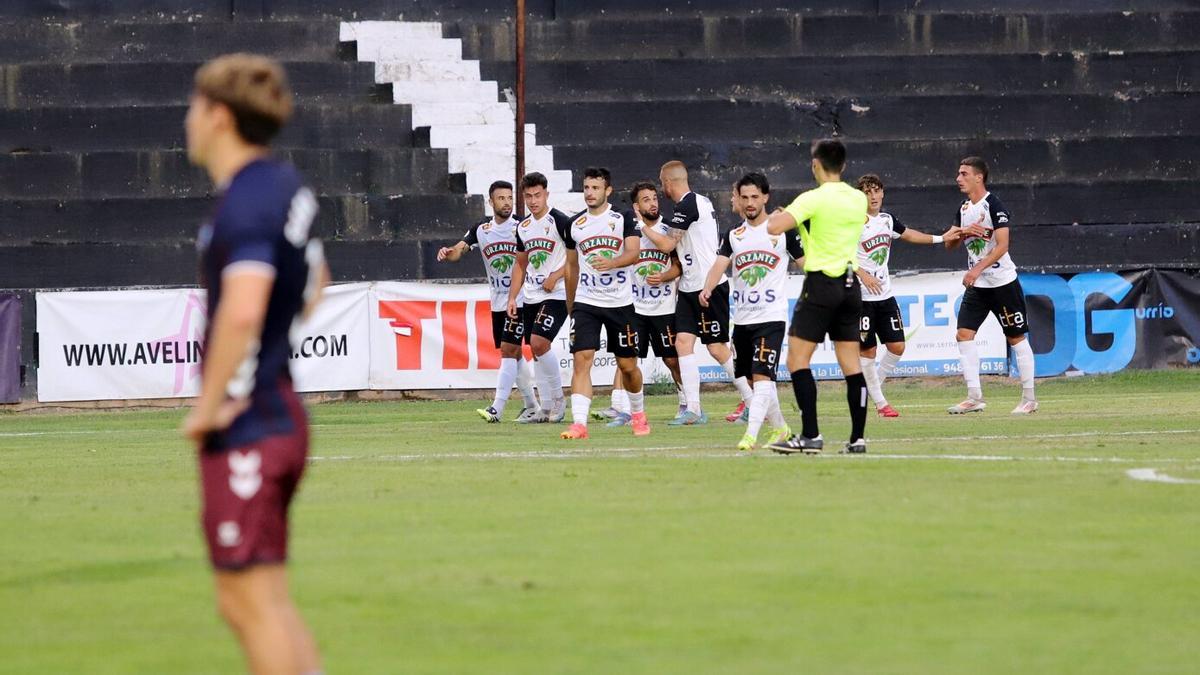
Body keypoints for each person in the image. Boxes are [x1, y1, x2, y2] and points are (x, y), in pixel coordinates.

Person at [182, 53, 325, 675]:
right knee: (265, 600)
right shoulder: (283, 185)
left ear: (218, 115)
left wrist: (208, 406)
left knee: (247, 604)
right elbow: (317, 282)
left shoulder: (245, 202)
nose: (187, 120)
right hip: (279, 411)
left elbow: (242, 312)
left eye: (193, 106)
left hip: (251, 423)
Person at [765, 139, 871, 455]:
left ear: (815, 164)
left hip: (822, 283)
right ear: (844, 165)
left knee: (797, 360)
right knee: (852, 364)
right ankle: (857, 439)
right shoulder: (858, 198)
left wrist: (787, 215)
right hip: (851, 286)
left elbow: (774, 227)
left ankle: (810, 435)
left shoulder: (813, 198)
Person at [642, 161, 753, 425]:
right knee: (682, 343)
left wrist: (642, 225)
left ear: (669, 182)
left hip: (708, 285)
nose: (662, 188)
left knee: (716, 348)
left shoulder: (689, 204)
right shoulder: (699, 202)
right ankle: (693, 409)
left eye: (662, 182)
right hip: (688, 287)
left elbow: (667, 244)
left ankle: (753, 401)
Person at [700, 172, 800, 450]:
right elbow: (719, 265)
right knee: (752, 379)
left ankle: (751, 435)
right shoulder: (734, 235)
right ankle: (781, 428)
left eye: (755, 196)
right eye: (744, 197)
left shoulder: (782, 231)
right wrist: (707, 289)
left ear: (766, 197)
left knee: (762, 375)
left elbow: (807, 262)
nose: (749, 202)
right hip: (743, 319)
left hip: (771, 317)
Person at [854, 174, 962, 417]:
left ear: (883, 193)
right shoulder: (853, 222)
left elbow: (909, 234)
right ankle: (881, 403)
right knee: (868, 351)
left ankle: (872, 387)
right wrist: (863, 274)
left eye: (876, 191)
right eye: (867, 192)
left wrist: (941, 238)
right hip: (861, 298)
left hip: (885, 296)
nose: (873, 196)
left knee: (897, 346)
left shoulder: (887, 220)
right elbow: (841, 254)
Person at [438, 180, 540, 423]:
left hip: (520, 299)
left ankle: (497, 408)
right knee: (514, 354)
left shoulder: (522, 226)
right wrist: (448, 252)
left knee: (508, 350)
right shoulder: (481, 229)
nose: (507, 202)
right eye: (501, 198)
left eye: (509, 198)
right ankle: (532, 405)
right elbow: (460, 249)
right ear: (491, 201)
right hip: (498, 301)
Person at [560, 167, 650, 439]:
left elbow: (634, 253)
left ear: (607, 190)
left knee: (627, 366)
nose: (590, 193)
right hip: (586, 302)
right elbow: (571, 267)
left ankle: (638, 414)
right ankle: (579, 424)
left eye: (595, 188)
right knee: (581, 360)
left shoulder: (623, 217)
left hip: (619, 303)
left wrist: (612, 262)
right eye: (586, 188)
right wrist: (571, 304)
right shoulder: (574, 224)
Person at [945, 157, 1038, 415]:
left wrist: (976, 269)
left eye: (964, 174)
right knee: (963, 334)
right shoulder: (963, 209)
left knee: (1015, 337)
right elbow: (949, 244)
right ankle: (974, 397)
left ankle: (1029, 398)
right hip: (979, 286)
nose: (958, 178)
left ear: (979, 177)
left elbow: (1003, 245)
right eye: (958, 173)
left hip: (1002, 283)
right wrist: (964, 232)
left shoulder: (994, 205)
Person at [598, 181, 686, 426]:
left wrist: (664, 276)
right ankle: (623, 408)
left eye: (655, 198)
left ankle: (686, 403)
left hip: (664, 308)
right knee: (626, 357)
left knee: (672, 360)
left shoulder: (669, 229)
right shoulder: (627, 230)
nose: (653, 203)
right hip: (634, 306)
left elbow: (679, 267)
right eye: (646, 200)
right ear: (636, 206)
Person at [507, 172, 572, 423]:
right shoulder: (523, 227)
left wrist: (556, 275)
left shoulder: (560, 221)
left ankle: (558, 400)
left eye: (537, 195)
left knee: (538, 342)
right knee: (535, 350)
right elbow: (520, 264)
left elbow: (577, 257)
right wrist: (512, 297)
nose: (533, 201)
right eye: (528, 196)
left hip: (557, 293)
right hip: (532, 295)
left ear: (546, 194)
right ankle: (544, 408)